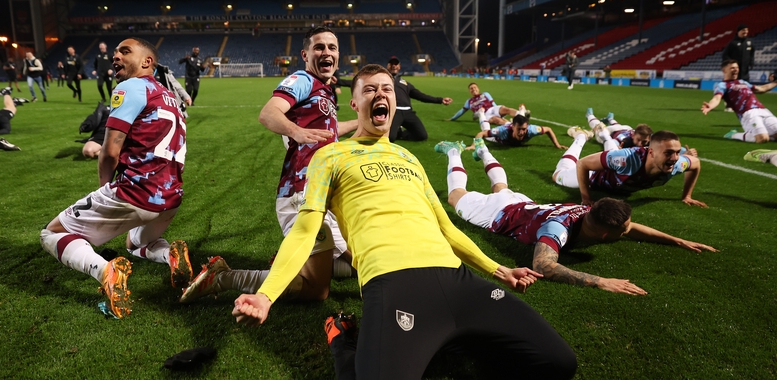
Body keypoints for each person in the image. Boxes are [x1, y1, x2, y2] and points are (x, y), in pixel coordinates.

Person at [233, 64, 577, 379]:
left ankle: (444, 338)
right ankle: (342, 340)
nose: (381, 94)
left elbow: (446, 228)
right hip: (392, 282)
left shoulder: (407, 156)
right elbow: (307, 229)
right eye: (369, 90)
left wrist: (500, 270)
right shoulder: (330, 155)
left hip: (458, 281)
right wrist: (266, 296)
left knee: (559, 362)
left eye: (386, 88)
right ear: (354, 105)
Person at [179, 27, 359, 305]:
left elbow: (330, 129)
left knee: (343, 268)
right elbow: (268, 113)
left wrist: (363, 122)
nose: (327, 52)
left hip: (322, 190)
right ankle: (224, 277)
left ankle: (294, 261)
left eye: (332, 48)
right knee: (334, 278)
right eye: (319, 47)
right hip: (304, 194)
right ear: (305, 54)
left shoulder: (325, 89)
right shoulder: (302, 79)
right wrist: (296, 132)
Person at [437, 138, 717, 295]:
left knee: (501, 187)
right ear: (606, 235)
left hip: (524, 205)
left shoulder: (592, 211)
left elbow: (632, 228)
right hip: (498, 214)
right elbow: (544, 266)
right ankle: (454, 151)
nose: (629, 231)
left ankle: (483, 149)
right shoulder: (558, 229)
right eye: (625, 229)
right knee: (456, 196)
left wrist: (678, 241)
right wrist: (602, 281)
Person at [39, 37, 192, 319]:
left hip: (136, 191)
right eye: (115, 52)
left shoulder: (130, 87)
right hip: (171, 197)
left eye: (125, 51)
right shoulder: (171, 98)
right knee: (135, 244)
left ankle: (106, 271)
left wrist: (104, 190)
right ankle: (169, 254)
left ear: (147, 62)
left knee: (52, 233)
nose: (115, 56)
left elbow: (109, 152)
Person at [552, 128, 706, 207]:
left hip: (615, 165)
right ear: (651, 152)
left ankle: (604, 134)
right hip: (595, 176)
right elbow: (583, 164)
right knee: (558, 175)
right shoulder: (628, 159)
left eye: (678, 153)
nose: (674, 159)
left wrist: (686, 196)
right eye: (668, 153)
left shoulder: (677, 164)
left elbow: (696, 164)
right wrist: (586, 198)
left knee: (613, 154)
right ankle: (581, 137)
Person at [701, 59, 777, 143]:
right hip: (748, 113)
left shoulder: (742, 82)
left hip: (763, 111)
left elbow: (761, 89)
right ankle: (733, 135)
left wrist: (775, 82)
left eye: (737, 68)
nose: (736, 69)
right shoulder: (722, 85)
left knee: (773, 136)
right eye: (732, 68)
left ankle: (763, 134)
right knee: (762, 139)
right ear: (724, 70)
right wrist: (710, 105)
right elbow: (716, 98)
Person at [387, 56, 453, 142]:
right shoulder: (383, 80)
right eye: (391, 64)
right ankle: (394, 132)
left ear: (399, 66)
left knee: (422, 136)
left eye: (396, 64)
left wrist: (440, 100)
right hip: (394, 112)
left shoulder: (405, 83)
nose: (394, 66)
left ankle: (400, 133)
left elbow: (420, 96)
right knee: (391, 138)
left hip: (408, 112)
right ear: (387, 66)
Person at [471, 114, 568, 150]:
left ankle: (520, 112)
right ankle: (481, 115)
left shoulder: (531, 130)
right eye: (519, 129)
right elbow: (482, 134)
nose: (522, 132)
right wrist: (473, 146)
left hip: (510, 125)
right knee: (485, 128)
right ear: (513, 127)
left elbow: (548, 129)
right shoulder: (502, 131)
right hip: (496, 139)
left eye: (524, 129)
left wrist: (557, 145)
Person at [448, 82, 530, 125]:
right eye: (471, 88)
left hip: (492, 108)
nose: (473, 89)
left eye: (475, 87)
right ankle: (512, 124)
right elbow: (461, 112)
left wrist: (501, 112)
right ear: (469, 91)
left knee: (506, 109)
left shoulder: (485, 94)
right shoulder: (469, 101)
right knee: (496, 120)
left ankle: (521, 115)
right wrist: (452, 119)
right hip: (484, 114)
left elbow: (494, 104)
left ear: (478, 88)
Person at [584, 108, 652, 151]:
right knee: (599, 128)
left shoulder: (648, 138)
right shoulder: (625, 140)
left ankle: (610, 119)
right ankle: (590, 115)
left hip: (625, 128)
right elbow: (613, 142)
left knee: (618, 126)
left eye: (644, 142)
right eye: (638, 140)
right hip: (611, 131)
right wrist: (616, 147)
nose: (640, 144)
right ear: (633, 136)